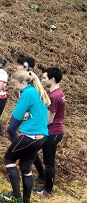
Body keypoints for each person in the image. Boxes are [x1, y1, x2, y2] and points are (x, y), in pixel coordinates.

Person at [1, 71, 50, 203]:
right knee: (25, 166)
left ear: (24, 82)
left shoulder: (28, 92)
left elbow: (15, 119)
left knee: (9, 158)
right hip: (42, 137)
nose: (16, 88)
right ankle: (26, 201)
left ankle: (16, 195)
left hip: (30, 136)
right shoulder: (38, 92)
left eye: (16, 85)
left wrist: (14, 138)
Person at [32, 67, 65, 195]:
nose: (43, 79)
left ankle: (47, 189)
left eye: (44, 78)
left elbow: (49, 119)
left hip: (52, 132)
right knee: (33, 151)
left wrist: (35, 125)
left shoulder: (54, 96)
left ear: (52, 79)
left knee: (49, 162)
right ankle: (42, 177)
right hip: (50, 131)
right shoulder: (55, 93)